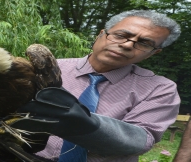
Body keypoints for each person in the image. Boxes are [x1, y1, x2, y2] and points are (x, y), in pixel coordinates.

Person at [10, 10, 181, 162]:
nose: (127, 44)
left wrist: (86, 123)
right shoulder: (44, 69)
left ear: (154, 52)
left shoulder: (160, 88)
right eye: (121, 35)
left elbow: (141, 141)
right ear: (101, 34)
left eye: (144, 43)